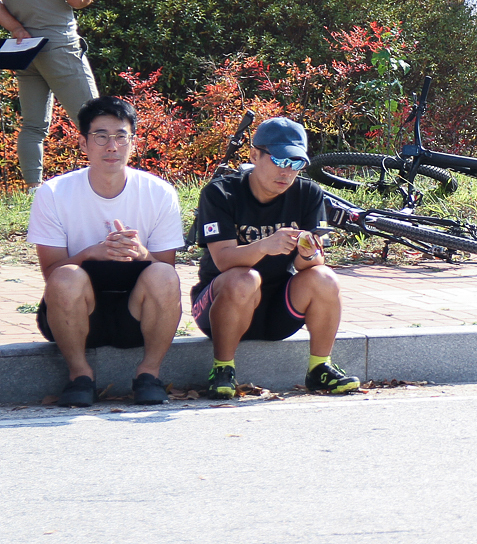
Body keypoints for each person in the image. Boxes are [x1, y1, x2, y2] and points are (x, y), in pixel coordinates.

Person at [28, 96, 184, 408]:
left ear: (133, 142)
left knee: (164, 275)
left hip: (136, 317)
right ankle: (80, 376)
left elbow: (166, 271)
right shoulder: (53, 193)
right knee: (66, 277)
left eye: (120, 136)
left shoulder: (160, 193)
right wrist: (92, 253)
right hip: (76, 315)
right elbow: (51, 274)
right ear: (83, 143)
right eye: (100, 136)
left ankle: (149, 375)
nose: (111, 146)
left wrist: (141, 253)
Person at [190, 117, 359, 400]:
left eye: (296, 163)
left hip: (278, 312)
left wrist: (308, 253)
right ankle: (222, 369)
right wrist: (265, 246)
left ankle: (320, 368)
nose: (287, 171)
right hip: (219, 308)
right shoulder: (220, 193)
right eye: (279, 160)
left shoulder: (308, 193)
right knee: (244, 278)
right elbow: (223, 261)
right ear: (254, 155)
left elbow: (310, 265)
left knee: (324, 277)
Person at [0, 0, 100, 187]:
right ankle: (107, 187)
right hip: (59, 45)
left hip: (25, 49)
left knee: (33, 126)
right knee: (97, 121)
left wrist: (16, 28)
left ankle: (33, 191)